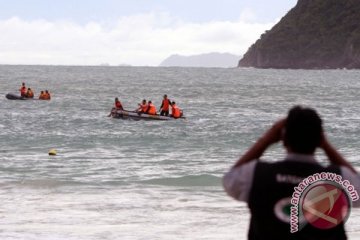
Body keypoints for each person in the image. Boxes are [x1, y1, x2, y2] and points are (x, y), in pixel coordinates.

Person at [223, 106, 360, 240]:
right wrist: (326, 146)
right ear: (319, 139)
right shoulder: (338, 179)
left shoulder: (256, 174)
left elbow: (230, 179)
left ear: (284, 139)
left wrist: (267, 139)